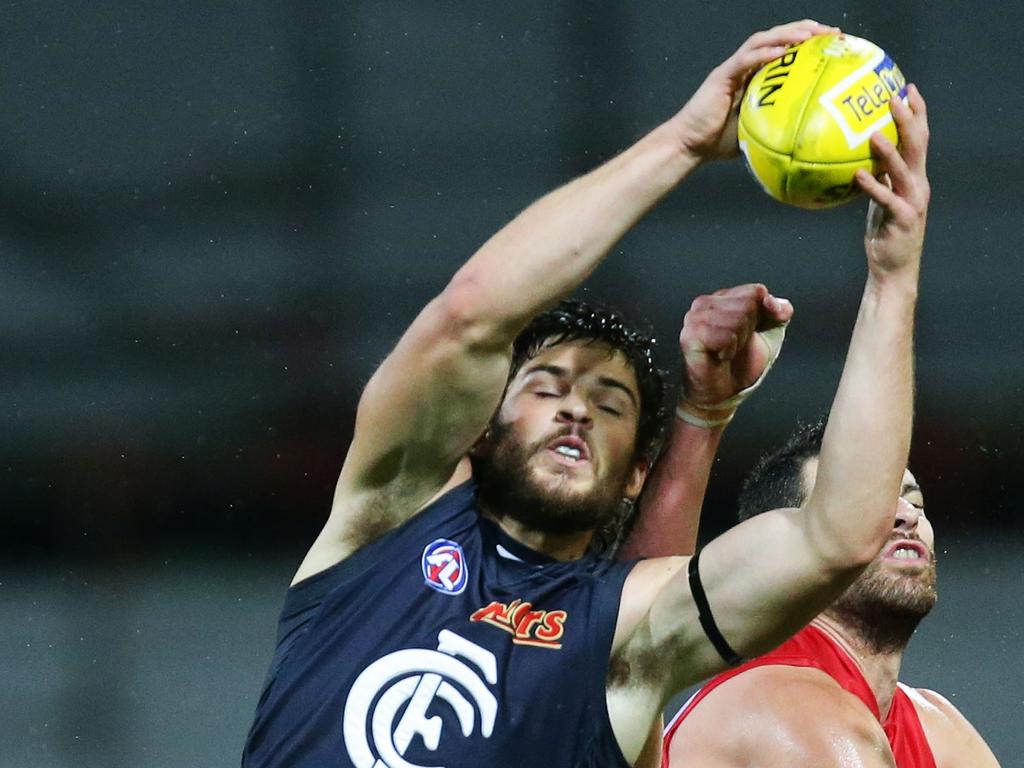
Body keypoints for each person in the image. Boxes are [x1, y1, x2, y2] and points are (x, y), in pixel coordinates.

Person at [242, 19, 931, 768]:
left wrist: (893, 279)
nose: (577, 407)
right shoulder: (383, 524)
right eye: (548, 386)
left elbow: (836, 537)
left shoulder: (628, 634)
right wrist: (684, 144)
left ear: (637, 472)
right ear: (479, 427)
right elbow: (471, 315)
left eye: (610, 404)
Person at [635, 420, 1001, 767]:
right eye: (864, 501)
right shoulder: (780, 702)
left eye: (916, 502)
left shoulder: (937, 727)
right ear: (788, 555)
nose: (906, 515)